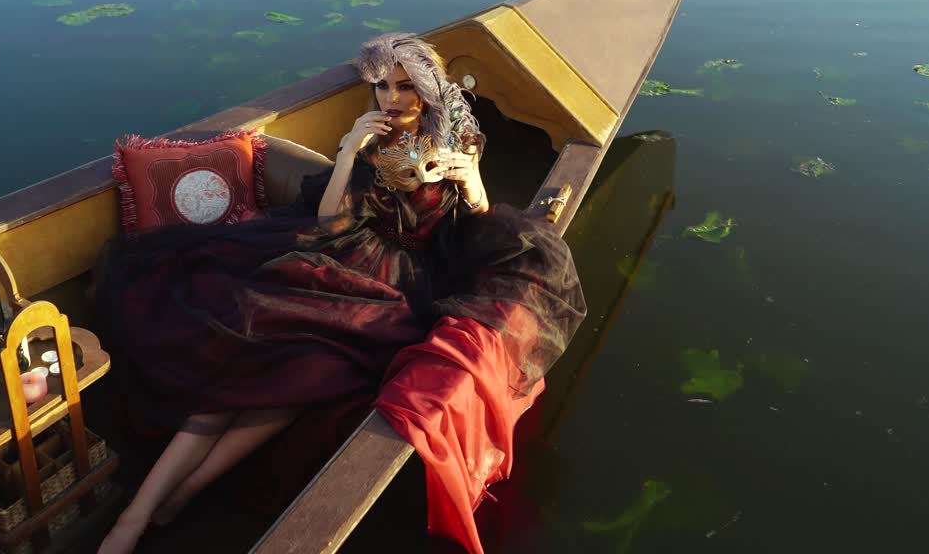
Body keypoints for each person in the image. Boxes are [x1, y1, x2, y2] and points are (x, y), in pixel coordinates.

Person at [95, 34, 586, 553]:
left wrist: (471, 184)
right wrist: (350, 151)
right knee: (243, 368)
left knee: (301, 377)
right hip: (343, 257)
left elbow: (475, 226)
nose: (391, 99)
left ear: (428, 88)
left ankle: (185, 492)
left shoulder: (460, 141)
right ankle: (137, 514)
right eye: (381, 87)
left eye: (404, 87)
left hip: (405, 285)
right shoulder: (372, 138)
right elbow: (330, 220)